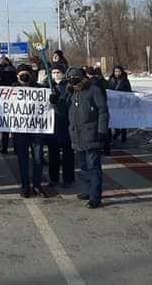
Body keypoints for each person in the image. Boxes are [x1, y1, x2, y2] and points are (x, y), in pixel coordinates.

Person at [65, 67, 109, 209]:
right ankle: (87, 190)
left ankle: (95, 196)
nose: (73, 80)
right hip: (76, 134)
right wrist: (55, 100)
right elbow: (63, 108)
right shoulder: (71, 91)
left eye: (75, 77)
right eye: (70, 78)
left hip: (91, 134)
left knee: (93, 167)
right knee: (83, 166)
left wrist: (102, 130)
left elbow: (103, 111)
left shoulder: (93, 90)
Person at [11, 64, 46, 197]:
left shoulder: (38, 88)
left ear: (31, 75)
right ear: (17, 75)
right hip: (20, 131)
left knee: (38, 158)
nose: (24, 76)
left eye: (27, 73)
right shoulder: (12, 89)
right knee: (22, 159)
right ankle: (25, 186)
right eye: (21, 74)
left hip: (36, 130)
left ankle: (37, 185)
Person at [48, 63, 75, 188]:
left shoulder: (68, 88)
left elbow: (68, 107)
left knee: (67, 155)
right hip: (51, 126)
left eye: (58, 72)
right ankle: (53, 178)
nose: (56, 75)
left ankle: (68, 179)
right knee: (53, 155)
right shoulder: (48, 85)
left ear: (63, 73)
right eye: (53, 72)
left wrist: (57, 103)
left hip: (65, 125)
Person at [108, 66, 132, 144]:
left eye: (118, 71)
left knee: (123, 120)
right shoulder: (111, 79)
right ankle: (117, 132)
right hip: (113, 103)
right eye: (115, 71)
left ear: (121, 72)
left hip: (122, 103)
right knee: (114, 119)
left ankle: (123, 137)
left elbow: (129, 92)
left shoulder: (125, 80)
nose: (117, 73)